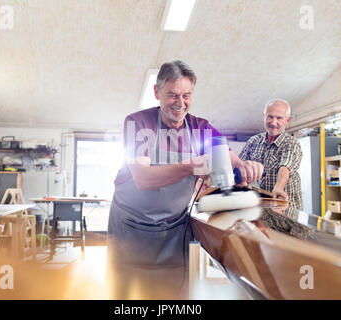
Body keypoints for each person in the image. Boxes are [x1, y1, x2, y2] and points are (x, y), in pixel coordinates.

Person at [106, 60, 263, 299]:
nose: (180, 104)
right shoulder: (136, 123)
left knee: (174, 297)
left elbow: (226, 155)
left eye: (186, 95)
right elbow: (143, 178)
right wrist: (192, 166)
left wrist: (244, 166)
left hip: (174, 233)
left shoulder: (200, 127)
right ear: (157, 92)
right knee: (128, 298)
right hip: (131, 232)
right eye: (172, 95)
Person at [239, 99, 303, 210]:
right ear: (264, 116)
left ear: (287, 120)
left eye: (279, 118)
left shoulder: (291, 143)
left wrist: (278, 187)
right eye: (270, 117)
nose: (273, 123)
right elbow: (239, 165)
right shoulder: (253, 141)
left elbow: (285, 167)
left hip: (287, 210)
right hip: (261, 208)